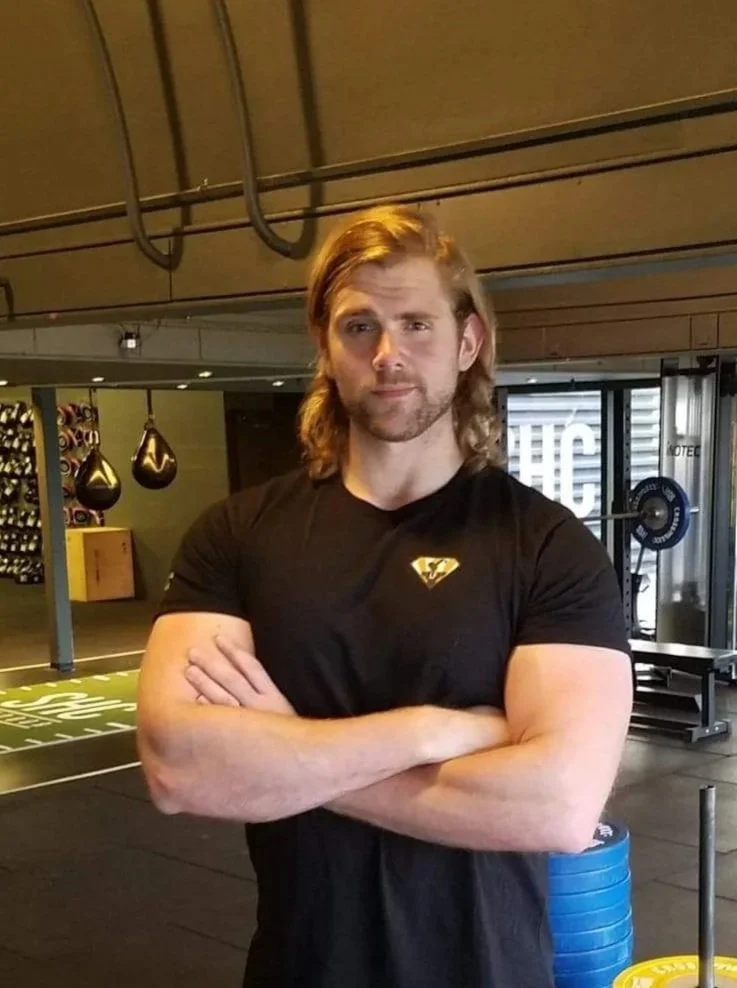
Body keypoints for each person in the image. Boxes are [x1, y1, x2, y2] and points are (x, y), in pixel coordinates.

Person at [137, 204, 633, 988]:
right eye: (359, 326)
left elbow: (558, 809)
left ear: (467, 341)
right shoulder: (235, 535)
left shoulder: (546, 545)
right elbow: (179, 771)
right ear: (325, 349)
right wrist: (434, 730)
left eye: (416, 324)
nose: (388, 352)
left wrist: (288, 754)